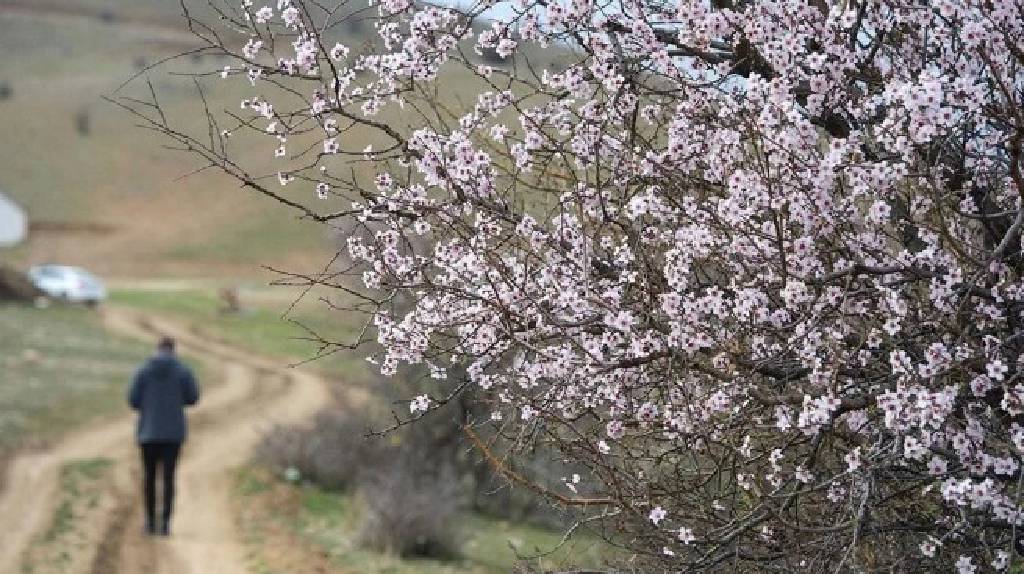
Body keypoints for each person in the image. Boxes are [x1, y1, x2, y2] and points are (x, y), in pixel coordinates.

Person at [128, 336, 199, 536]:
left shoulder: (142, 371)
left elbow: (133, 400)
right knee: (168, 478)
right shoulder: (184, 372)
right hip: (173, 434)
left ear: (156, 349)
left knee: (149, 478)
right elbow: (193, 398)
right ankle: (165, 524)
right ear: (173, 350)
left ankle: (149, 522)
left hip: (147, 433)